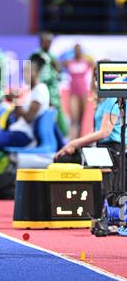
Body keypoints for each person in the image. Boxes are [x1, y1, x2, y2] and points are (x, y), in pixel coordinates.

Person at [54, 65, 127, 198]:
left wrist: (74, 143)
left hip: (113, 150)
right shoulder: (101, 101)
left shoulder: (113, 99)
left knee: (64, 160)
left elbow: (105, 132)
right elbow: (95, 132)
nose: (97, 79)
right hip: (100, 148)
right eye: (95, 75)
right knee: (64, 158)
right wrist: (74, 145)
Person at [0, 54, 50, 161]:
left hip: (23, 135)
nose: (24, 74)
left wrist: (15, 100)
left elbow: (28, 118)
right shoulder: (31, 90)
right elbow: (20, 116)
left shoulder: (40, 90)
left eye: (27, 71)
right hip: (17, 131)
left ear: (35, 72)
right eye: (23, 71)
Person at [30, 32, 68, 136]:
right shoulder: (35, 55)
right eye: (46, 41)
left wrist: (58, 67)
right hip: (42, 92)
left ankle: (63, 139)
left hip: (53, 93)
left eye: (50, 42)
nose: (48, 44)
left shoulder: (53, 57)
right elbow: (31, 74)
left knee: (59, 119)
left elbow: (59, 73)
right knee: (42, 116)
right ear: (41, 42)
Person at [62, 44, 94, 139]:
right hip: (73, 94)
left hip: (83, 93)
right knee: (74, 119)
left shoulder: (86, 62)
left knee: (81, 119)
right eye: (76, 50)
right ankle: (73, 140)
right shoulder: (69, 62)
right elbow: (59, 65)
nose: (77, 52)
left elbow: (94, 64)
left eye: (79, 50)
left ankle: (79, 141)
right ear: (74, 51)